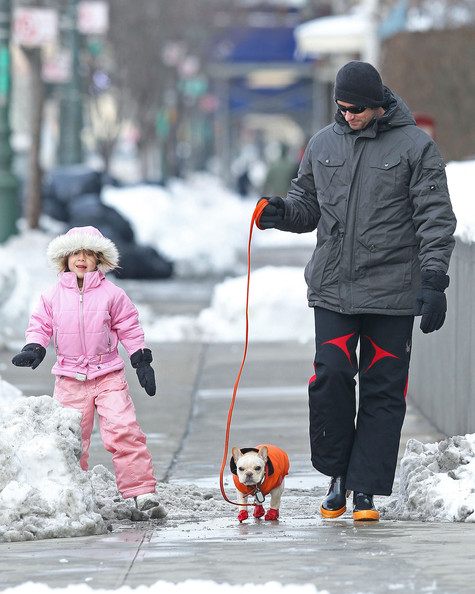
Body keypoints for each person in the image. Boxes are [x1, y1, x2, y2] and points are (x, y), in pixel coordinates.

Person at [255, 61, 456, 521]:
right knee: (330, 379)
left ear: (379, 104)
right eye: (341, 109)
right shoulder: (323, 144)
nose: (348, 116)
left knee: (383, 390)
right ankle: (337, 477)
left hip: (392, 292)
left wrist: (434, 281)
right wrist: (281, 212)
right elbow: (308, 206)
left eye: (357, 110)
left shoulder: (416, 147)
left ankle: (364, 489)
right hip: (333, 291)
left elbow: (435, 218)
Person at [12, 226, 163, 517]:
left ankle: (141, 492)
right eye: (75, 253)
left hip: (108, 375)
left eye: (89, 254)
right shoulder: (52, 296)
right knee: (69, 437)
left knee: (124, 431)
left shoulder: (112, 294)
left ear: (98, 259)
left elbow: (129, 327)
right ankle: (72, 491)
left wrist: (141, 359)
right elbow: (40, 325)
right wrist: (35, 347)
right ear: (65, 259)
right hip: (69, 378)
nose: (81, 259)